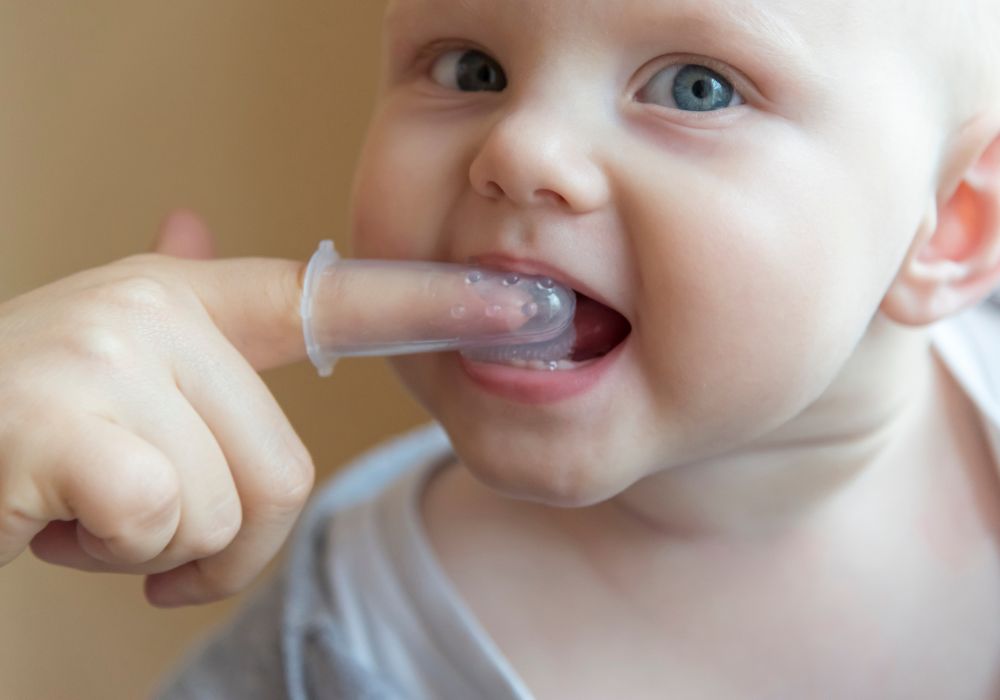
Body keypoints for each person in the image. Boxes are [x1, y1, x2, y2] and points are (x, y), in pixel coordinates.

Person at [4, 0, 1000, 697]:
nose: (520, 149)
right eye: (469, 67)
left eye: (696, 87)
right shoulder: (342, 646)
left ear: (950, 223)